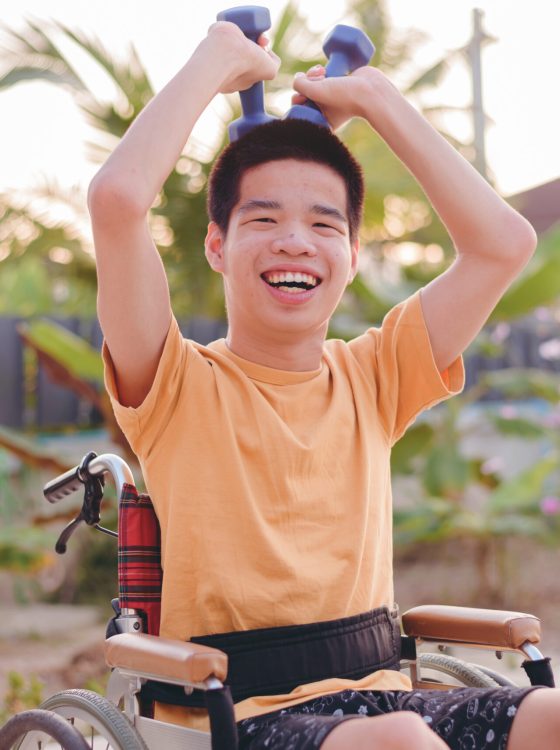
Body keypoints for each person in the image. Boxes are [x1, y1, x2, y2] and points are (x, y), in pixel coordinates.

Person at [89, 18, 558, 750]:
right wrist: (216, 61)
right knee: (404, 742)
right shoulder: (175, 381)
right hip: (238, 714)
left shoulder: (376, 373)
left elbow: (505, 243)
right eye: (265, 217)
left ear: (350, 250)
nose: (295, 240)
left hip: (380, 695)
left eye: (323, 223)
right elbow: (117, 201)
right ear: (217, 244)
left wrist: (375, 99)